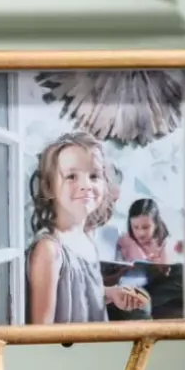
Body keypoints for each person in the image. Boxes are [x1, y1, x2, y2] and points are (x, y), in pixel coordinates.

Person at [26, 132, 150, 325]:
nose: (86, 185)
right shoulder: (49, 250)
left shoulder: (86, 239)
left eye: (94, 176)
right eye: (71, 176)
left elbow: (80, 292)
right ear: (49, 187)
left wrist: (110, 293)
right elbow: (40, 332)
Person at [116, 197, 181, 265]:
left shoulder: (165, 245)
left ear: (156, 224)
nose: (141, 233)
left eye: (146, 227)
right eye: (135, 227)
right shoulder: (125, 241)